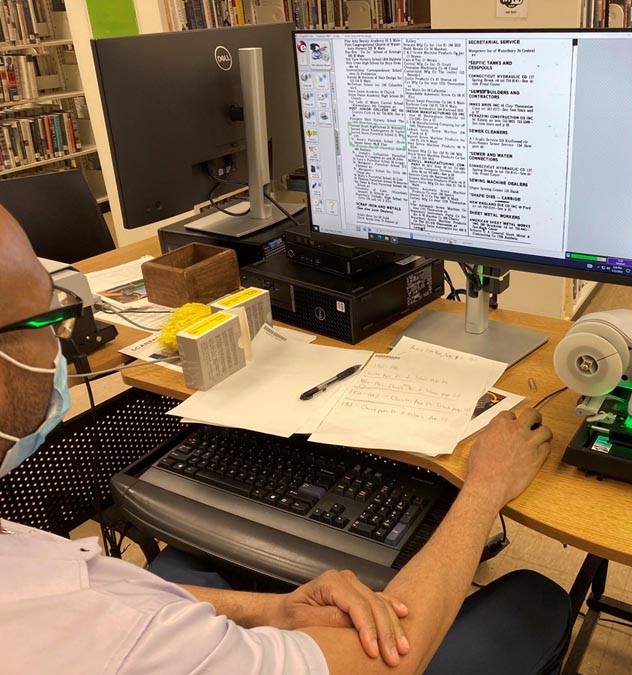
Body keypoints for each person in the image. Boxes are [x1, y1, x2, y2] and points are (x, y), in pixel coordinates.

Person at [0, 209, 573, 675]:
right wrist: (485, 488)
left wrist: (273, 608)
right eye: (43, 319)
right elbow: (382, 663)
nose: (60, 340)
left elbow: (131, 600)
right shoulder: (88, 638)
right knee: (535, 597)